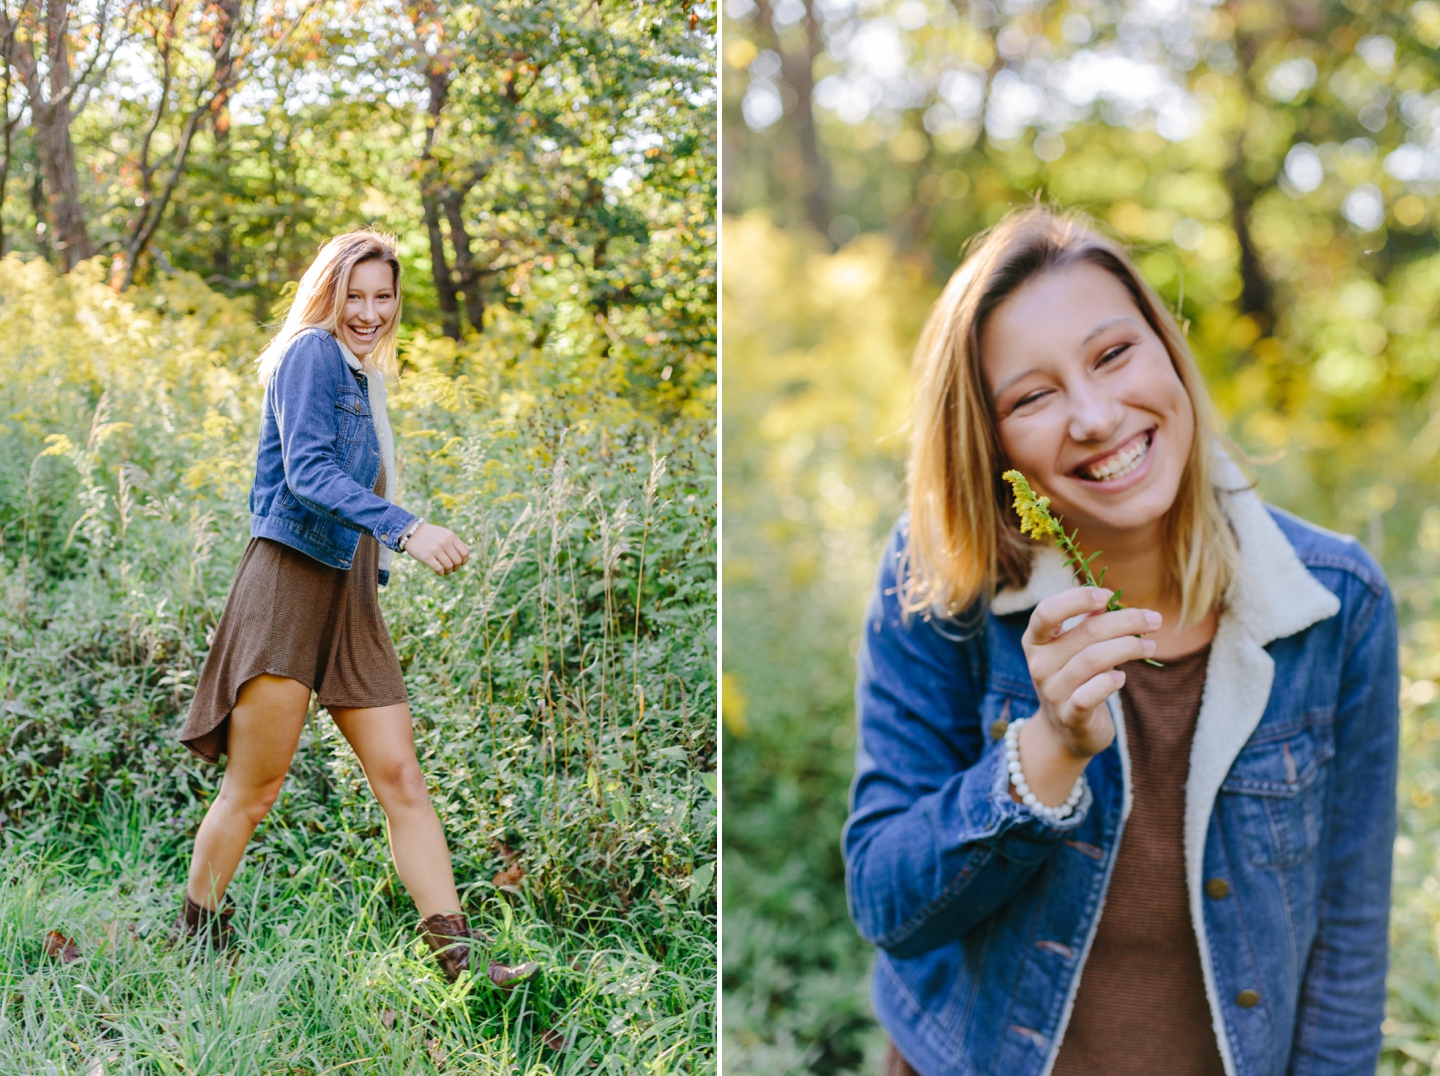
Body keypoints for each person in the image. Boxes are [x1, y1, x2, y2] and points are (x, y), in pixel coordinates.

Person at [843, 208, 1398, 1076]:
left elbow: (1349, 935)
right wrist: (1044, 754)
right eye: (1032, 396)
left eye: (1113, 354)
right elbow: (886, 901)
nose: (1097, 416)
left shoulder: (1338, 604)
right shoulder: (940, 585)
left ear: (1169, 350)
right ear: (990, 446)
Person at [173, 229, 538, 989]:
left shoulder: (364, 377)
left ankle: (460, 966)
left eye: (383, 296)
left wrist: (383, 546)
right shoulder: (310, 353)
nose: (369, 312)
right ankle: (194, 937)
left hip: (349, 596)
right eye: (356, 295)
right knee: (256, 789)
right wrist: (407, 526)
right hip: (288, 584)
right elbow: (306, 471)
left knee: (401, 776)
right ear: (329, 294)